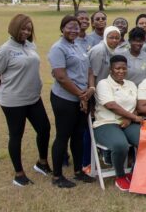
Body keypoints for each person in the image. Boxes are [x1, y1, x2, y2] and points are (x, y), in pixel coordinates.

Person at [0, 14, 51, 186]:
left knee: (44, 128)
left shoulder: (30, 45)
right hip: (13, 101)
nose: (26, 32)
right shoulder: (5, 50)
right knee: (16, 135)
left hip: (33, 97)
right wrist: (3, 92)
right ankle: (19, 174)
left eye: (29, 29)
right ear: (14, 28)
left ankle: (42, 163)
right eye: (23, 28)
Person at [47, 15, 95, 188]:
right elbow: (61, 76)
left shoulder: (79, 45)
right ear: (62, 28)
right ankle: (57, 176)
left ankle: (78, 172)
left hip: (82, 96)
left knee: (78, 135)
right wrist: (81, 95)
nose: (73, 30)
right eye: (69, 27)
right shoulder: (58, 48)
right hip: (65, 98)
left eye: (76, 27)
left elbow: (89, 69)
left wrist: (90, 89)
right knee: (63, 136)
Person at [93, 55, 143, 192]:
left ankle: (134, 172)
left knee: (145, 140)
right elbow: (111, 105)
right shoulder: (103, 84)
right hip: (106, 123)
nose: (121, 71)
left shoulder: (131, 84)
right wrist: (132, 116)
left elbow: (136, 105)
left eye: (124, 68)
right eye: (117, 68)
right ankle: (120, 176)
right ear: (110, 70)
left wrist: (130, 118)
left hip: (128, 122)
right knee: (120, 145)